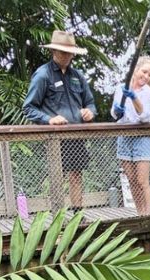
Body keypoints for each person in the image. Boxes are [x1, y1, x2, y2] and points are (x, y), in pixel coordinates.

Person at [22, 30, 97, 208]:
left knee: (76, 175)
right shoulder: (43, 75)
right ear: (54, 51)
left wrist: (89, 112)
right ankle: (58, 218)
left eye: (70, 52)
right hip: (55, 138)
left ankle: (78, 216)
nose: (67, 56)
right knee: (56, 178)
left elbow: (91, 103)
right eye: (63, 51)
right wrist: (49, 119)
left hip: (76, 135)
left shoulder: (77, 76)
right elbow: (28, 108)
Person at [111, 56, 150, 215]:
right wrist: (117, 111)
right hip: (124, 136)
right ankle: (140, 215)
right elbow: (114, 113)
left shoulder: (148, 92)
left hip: (143, 137)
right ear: (135, 70)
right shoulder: (121, 88)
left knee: (141, 180)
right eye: (144, 72)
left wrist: (133, 97)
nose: (146, 77)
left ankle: (148, 216)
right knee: (131, 180)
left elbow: (145, 117)